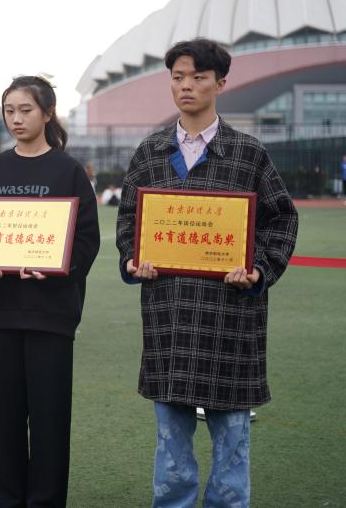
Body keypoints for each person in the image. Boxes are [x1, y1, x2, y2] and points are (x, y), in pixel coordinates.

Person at [116, 38, 298, 507]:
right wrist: (132, 258)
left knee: (232, 441)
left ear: (220, 83)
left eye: (198, 77)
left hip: (230, 317)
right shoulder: (151, 151)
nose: (186, 86)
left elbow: (281, 219)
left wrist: (258, 269)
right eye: (178, 77)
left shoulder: (248, 152)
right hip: (170, 314)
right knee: (171, 444)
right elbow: (130, 218)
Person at [0, 75, 100, 508]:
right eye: (9, 111)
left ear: (47, 113)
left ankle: (45, 501)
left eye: (25, 110)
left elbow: (86, 240)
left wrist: (56, 270)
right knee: (3, 418)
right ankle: (8, 500)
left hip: (50, 314)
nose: (16, 119)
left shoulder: (69, 171)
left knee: (49, 419)